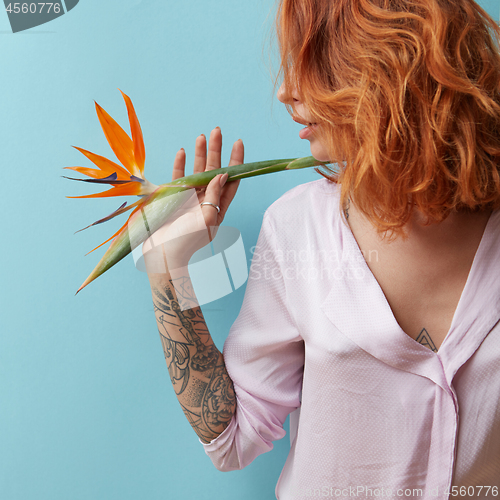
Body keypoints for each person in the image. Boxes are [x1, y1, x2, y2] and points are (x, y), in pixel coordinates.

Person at [142, 0, 500, 497]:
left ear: (391, 64)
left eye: (315, 64)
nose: (287, 90)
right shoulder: (296, 229)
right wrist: (167, 270)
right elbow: (233, 439)